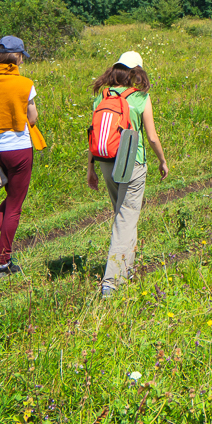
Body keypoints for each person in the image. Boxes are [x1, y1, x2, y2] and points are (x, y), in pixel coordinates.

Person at [88, 51, 169, 298]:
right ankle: (111, 283)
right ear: (135, 72)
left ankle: (126, 270)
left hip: (105, 161)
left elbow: (94, 132)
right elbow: (151, 136)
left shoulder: (102, 96)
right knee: (126, 217)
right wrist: (162, 160)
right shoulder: (141, 98)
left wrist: (90, 168)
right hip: (132, 162)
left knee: (123, 215)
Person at [0, 36, 46, 277]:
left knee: (12, 198)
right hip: (19, 149)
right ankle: (3, 263)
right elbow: (32, 118)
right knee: (15, 205)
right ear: (16, 58)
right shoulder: (25, 84)